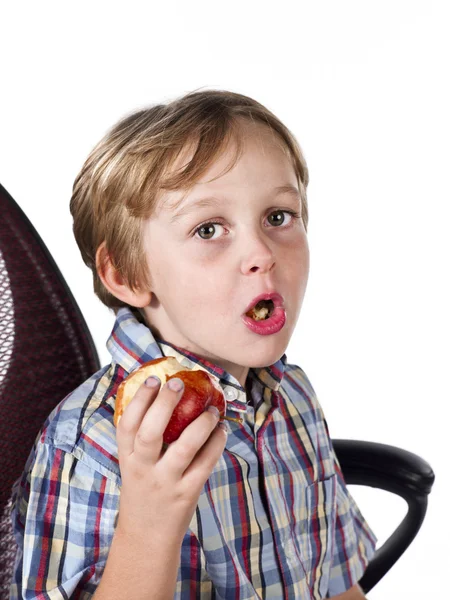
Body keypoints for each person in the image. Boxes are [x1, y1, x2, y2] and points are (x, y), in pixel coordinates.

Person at [9, 89, 377, 599]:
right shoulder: (93, 444)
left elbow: (336, 584)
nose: (261, 253)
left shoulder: (291, 400)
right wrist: (151, 519)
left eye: (278, 217)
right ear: (128, 275)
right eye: (209, 229)